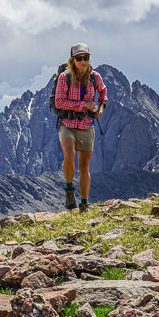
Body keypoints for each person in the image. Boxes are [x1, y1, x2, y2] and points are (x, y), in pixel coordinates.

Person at [54, 43, 108, 212]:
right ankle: (69, 189)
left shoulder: (95, 76)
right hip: (67, 124)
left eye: (86, 57)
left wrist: (101, 107)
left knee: (84, 167)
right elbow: (59, 102)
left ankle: (84, 204)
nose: (83, 61)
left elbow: (103, 92)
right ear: (73, 60)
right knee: (69, 156)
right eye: (79, 58)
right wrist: (83, 105)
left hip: (86, 125)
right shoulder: (64, 77)